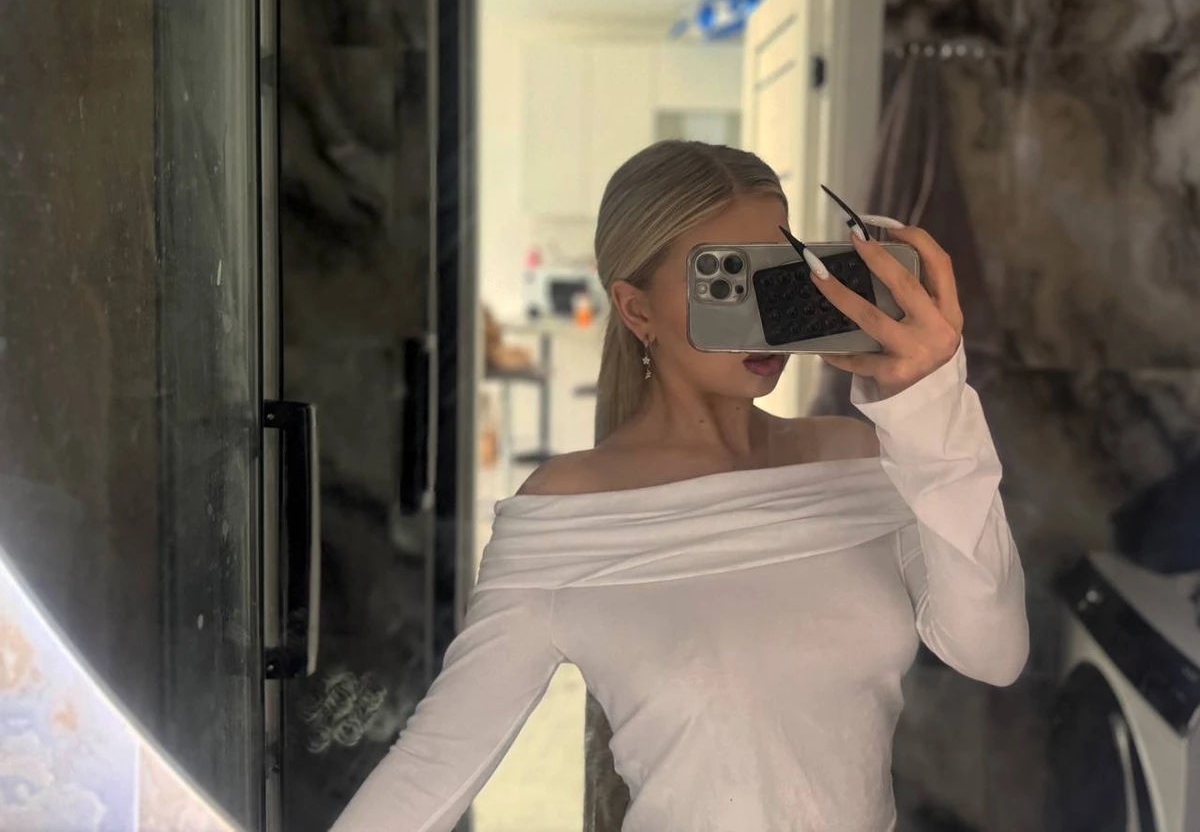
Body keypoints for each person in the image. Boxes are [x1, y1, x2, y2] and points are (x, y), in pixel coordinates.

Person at [329, 141, 1028, 832]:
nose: (763, 312)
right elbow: (430, 769)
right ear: (636, 311)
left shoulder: (862, 460)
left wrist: (933, 406)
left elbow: (993, 653)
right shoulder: (568, 516)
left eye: (776, 273)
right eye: (725, 278)